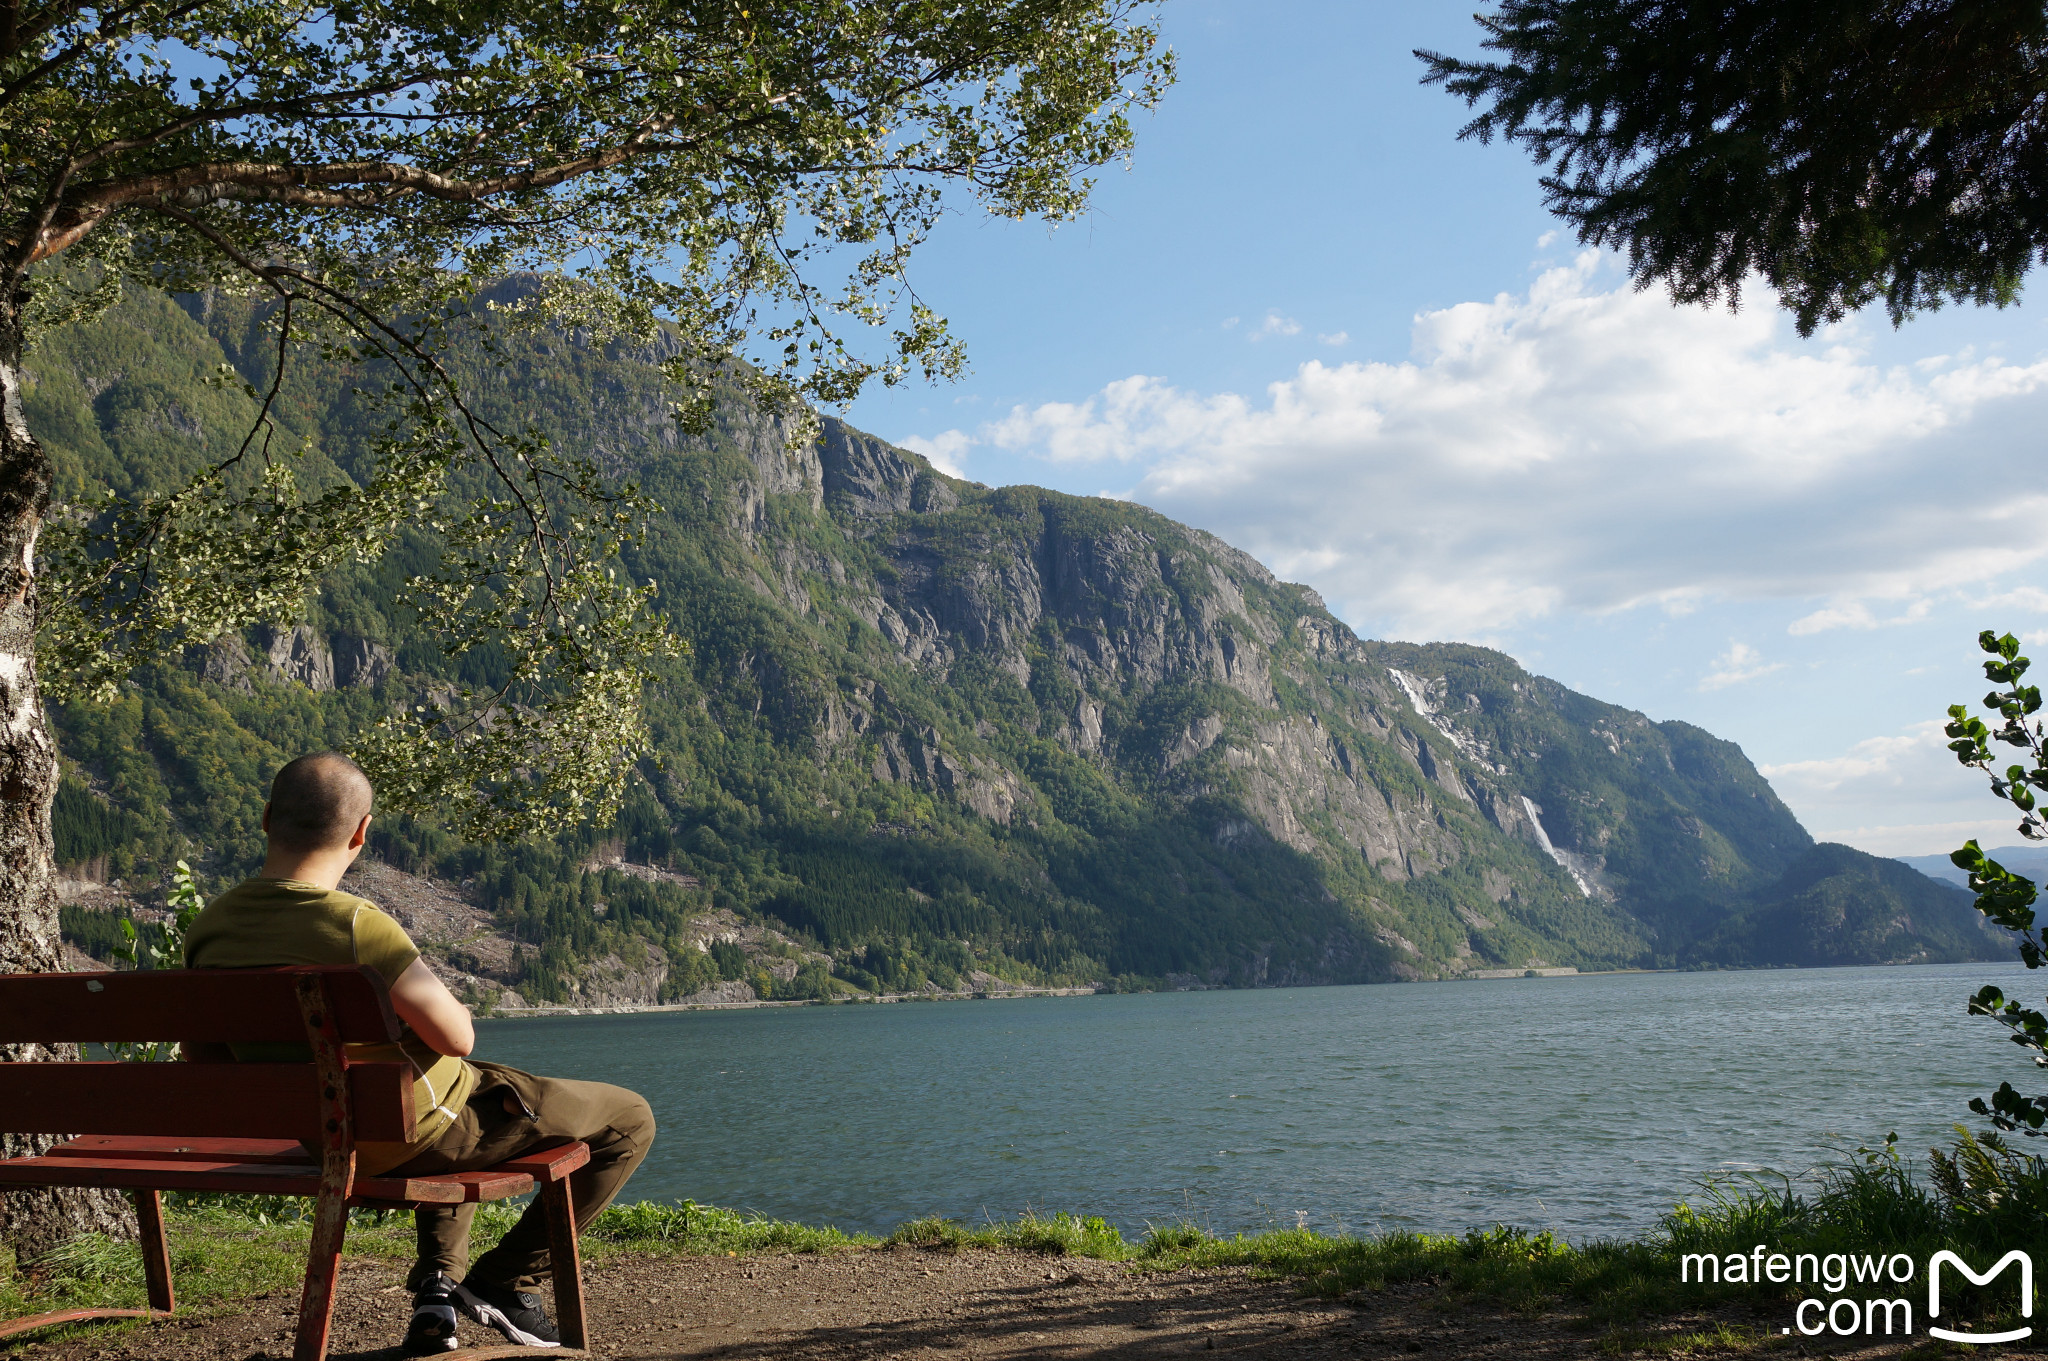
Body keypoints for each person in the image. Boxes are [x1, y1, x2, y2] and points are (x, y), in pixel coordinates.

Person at [183, 751, 656, 1355]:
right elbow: (456, 1038)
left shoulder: (211, 925)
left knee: (457, 1092)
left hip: (322, 1135)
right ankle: (507, 1281)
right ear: (361, 831)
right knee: (628, 1118)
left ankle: (441, 1286)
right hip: (419, 1133)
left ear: (268, 817)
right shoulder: (356, 924)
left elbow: (204, 1058)